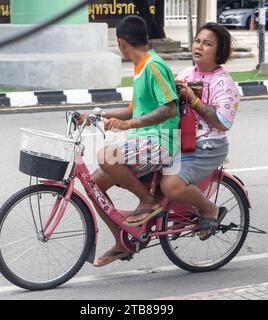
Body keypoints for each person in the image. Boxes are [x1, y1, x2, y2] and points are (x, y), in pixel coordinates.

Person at [84, 15, 180, 266]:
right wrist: (97, 115)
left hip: (162, 142)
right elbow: (135, 109)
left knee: (105, 155)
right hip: (144, 141)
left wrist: (128, 125)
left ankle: (149, 202)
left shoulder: (153, 66)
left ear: (122, 42)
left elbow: (168, 108)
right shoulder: (140, 68)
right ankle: (122, 243)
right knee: (93, 185)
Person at [160, 22, 240, 241]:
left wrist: (193, 100)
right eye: (197, 41)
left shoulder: (223, 83)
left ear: (219, 51)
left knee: (171, 184)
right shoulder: (186, 73)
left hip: (208, 145)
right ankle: (182, 210)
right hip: (181, 140)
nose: (199, 47)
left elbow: (223, 123)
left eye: (207, 44)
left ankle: (209, 209)